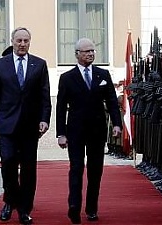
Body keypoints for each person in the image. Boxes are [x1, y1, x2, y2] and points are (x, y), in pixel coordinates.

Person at [0, 27, 52, 225]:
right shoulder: (1, 64)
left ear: (30, 42)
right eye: (19, 40)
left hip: (30, 126)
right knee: (8, 162)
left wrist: (44, 119)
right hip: (6, 125)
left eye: (26, 41)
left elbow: (44, 96)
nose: (22, 44)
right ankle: (9, 201)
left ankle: (24, 209)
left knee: (29, 169)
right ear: (12, 41)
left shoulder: (39, 65)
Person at [56, 38, 122, 224]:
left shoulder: (103, 74)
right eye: (86, 52)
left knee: (95, 170)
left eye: (93, 51)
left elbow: (111, 101)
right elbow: (60, 108)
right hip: (75, 131)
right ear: (77, 54)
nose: (91, 54)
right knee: (76, 169)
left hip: (97, 130)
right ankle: (74, 206)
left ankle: (92, 208)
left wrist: (117, 124)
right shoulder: (67, 78)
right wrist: (61, 134)